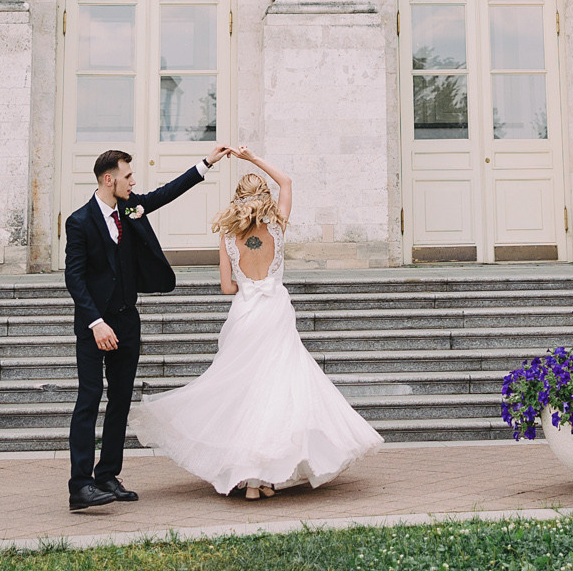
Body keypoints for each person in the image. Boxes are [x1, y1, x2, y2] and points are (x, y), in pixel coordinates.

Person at [129, 147, 384, 497]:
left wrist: (245, 280)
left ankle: (251, 479)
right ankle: (262, 477)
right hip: (275, 310)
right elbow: (287, 181)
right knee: (275, 391)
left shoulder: (227, 236)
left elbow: (227, 287)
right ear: (265, 197)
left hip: (245, 314)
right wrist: (251, 158)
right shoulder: (277, 226)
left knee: (244, 391)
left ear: (237, 200)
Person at [64, 143, 230, 512]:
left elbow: (165, 194)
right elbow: (74, 279)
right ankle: (80, 486)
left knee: (120, 401)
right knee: (88, 401)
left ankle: (107, 475)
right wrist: (96, 322)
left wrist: (206, 164)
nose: (132, 182)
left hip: (127, 320)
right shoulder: (78, 222)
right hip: (94, 327)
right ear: (109, 180)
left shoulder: (130, 207)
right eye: (127, 176)